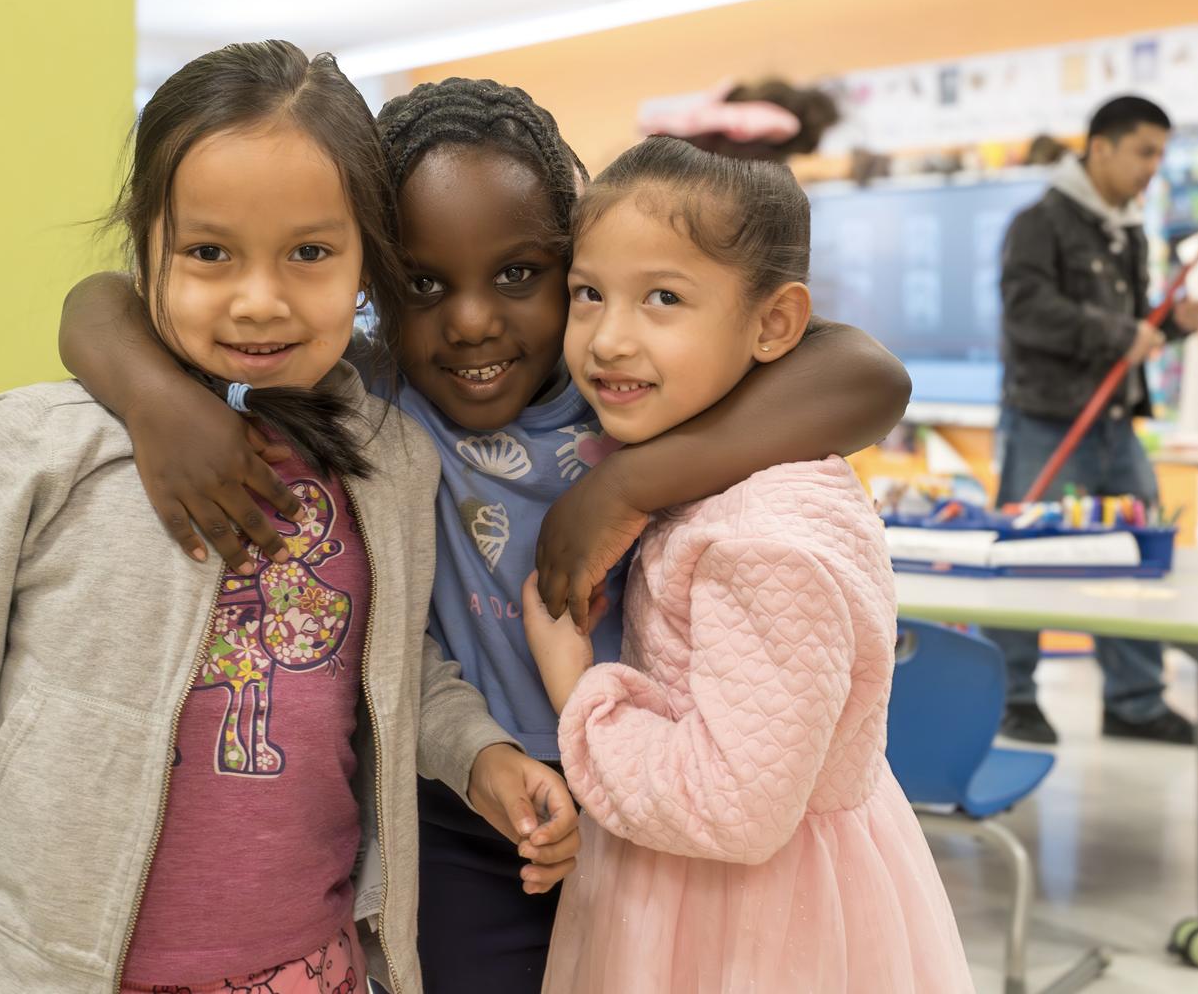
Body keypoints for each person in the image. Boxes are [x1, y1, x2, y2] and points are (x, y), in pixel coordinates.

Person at [57, 77, 914, 994]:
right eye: (422, 283)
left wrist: (629, 481)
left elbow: (867, 375)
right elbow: (97, 302)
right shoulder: (371, 395)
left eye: (520, 274)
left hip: (658, 800)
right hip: (460, 808)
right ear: (374, 279)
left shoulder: (625, 379)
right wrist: (159, 406)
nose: (470, 320)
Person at [0, 42, 572, 994]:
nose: (258, 298)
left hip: (314, 971)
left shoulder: (390, 459)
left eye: (311, 253)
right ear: (144, 240)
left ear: (370, 260)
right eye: (208, 253)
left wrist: (477, 751)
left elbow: (394, 666)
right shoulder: (39, 450)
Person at [524, 136, 971, 992]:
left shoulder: (761, 539)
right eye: (589, 294)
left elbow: (731, 806)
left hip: (748, 920)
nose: (609, 338)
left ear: (773, 324)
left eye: (663, 298)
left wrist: (577, 691)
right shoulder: (721, 470)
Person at [989, 95, 1198, 745]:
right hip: (1048, 420)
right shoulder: (1040, 222)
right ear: (1101, 148)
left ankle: (1135, 702)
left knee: (1139, 557)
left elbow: (1134, 325)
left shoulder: (1127, 228)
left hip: (1115, 423)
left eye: (1161, 154)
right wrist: (1121, 334)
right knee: (1023, 556)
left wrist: (1170, 327)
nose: (1153, 168)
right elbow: (1027, 315)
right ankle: (1012, 697)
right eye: (1145, 152)